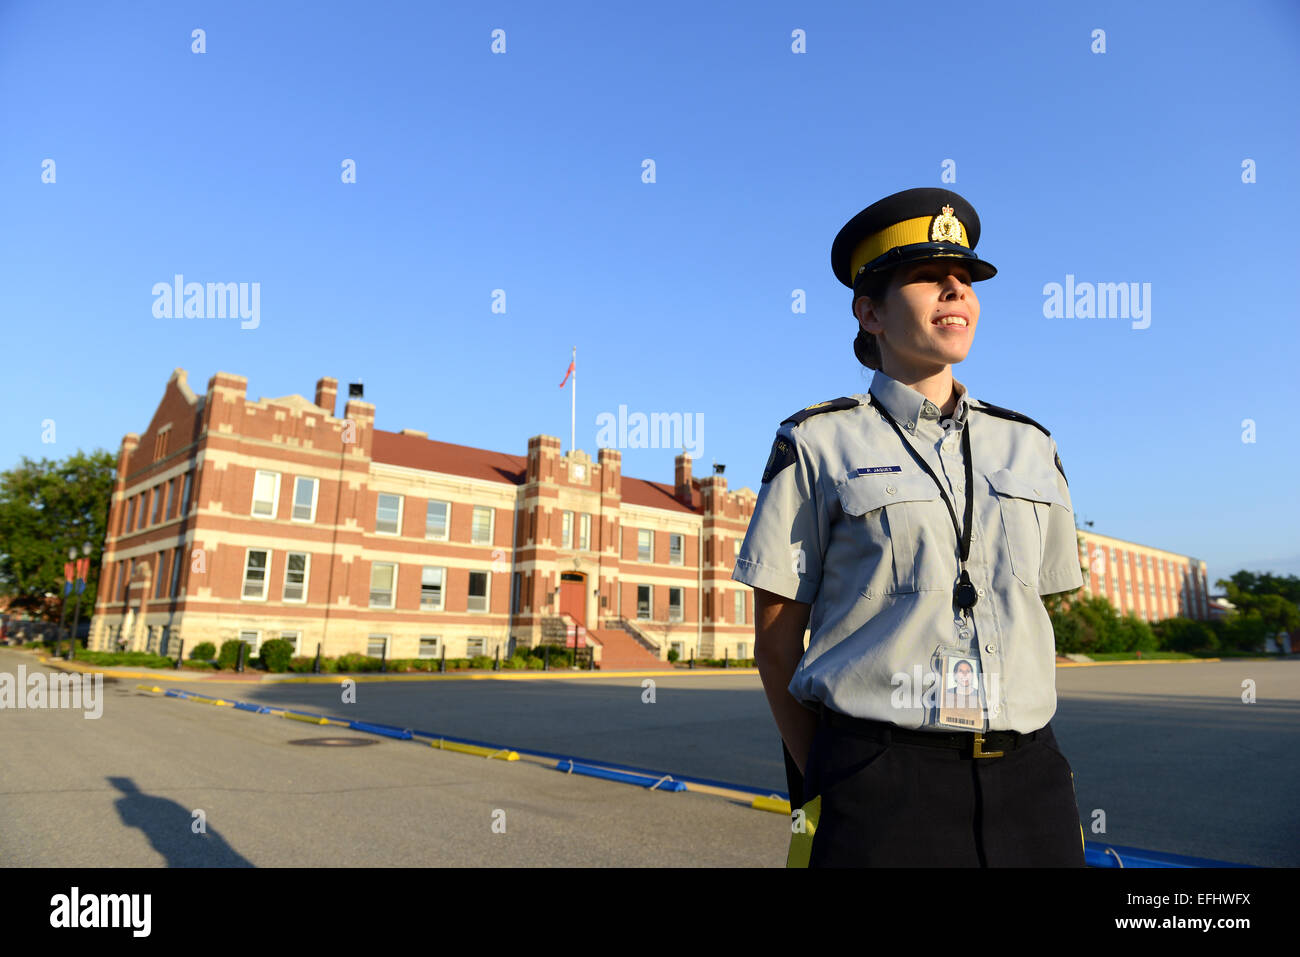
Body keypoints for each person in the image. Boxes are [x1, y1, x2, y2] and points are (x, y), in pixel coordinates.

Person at [733, 187, 1088, 867]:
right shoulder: (817, 442)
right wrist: (832, 780)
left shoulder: (1030, 445)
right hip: (878, 785)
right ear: (870, 312)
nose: (956, 287)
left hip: (1031, 783)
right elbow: (776, 646)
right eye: (928, 276)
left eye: (967, 279)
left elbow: (1034, 610)